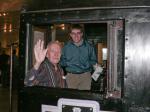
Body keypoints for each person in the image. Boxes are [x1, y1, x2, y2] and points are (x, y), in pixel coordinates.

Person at [60, 24, 97, 90]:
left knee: (84, 97)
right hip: (71, 77)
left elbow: (94, 61)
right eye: (73, 33)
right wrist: (68, 63)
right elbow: (61, 62)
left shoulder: (89, 46)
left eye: (78, 33)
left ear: (82, 34)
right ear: (70, 34)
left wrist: (87, 64)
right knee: (71, 98)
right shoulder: (65, 47)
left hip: (85, 76)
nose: (76, 36)